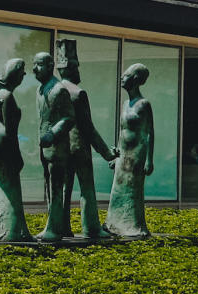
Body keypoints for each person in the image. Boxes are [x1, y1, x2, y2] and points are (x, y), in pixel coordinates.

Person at [55, 39, 119, 239]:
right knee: (87, 188)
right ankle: (91, 227)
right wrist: (108, 153)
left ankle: (61, 226)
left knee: (64, 190)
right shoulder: (77, 93)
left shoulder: (53, 91)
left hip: (61, 148)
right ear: (72, 68)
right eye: (77, 66)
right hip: (79, 147)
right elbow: (88, 128)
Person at [0, 58, 33, 242]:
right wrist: (17, 156)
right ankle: (12, 231)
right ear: (14, 74)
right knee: (11, 186)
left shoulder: (0, 94)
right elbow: (11, 133)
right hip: (2, 142)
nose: (24, 75)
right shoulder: (7, 96)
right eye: (22, 71)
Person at [105, 63, 154, 238]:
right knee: (117, 190)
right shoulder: (126, 103)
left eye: (125, 76)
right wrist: (116, 154)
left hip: (137, 155)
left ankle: (133, 225)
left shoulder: (144, 104)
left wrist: (149, 160)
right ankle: (113, 224)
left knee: (132, 191)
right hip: (123, 154)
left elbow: (149, 133)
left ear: (134, 79)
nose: (121, 78)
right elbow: (122, 131)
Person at [32, 51, 74, 242]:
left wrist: (53, 134)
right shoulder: (41, 90)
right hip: (45, 148)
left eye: (39, 64)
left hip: (57, 148)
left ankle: (55, 228)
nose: (34, 68)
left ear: (50, 66)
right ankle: (55, 224)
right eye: (34, 64)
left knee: (56, 187)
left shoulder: (58, 90)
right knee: (49, 187)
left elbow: (69, 118)